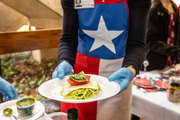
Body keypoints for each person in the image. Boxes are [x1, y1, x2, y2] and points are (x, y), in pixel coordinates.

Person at [52, 0, 150, 120]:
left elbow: (137, 43)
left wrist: (131, 68)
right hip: (80, 79)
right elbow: (68, 38)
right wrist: (65, 61)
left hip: (117, 78)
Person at [145, 0, 180, 71]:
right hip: (155, 62)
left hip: (170, 62)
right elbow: (151, 41)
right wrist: (175, 52)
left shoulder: (174, 8)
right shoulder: (154, 8)